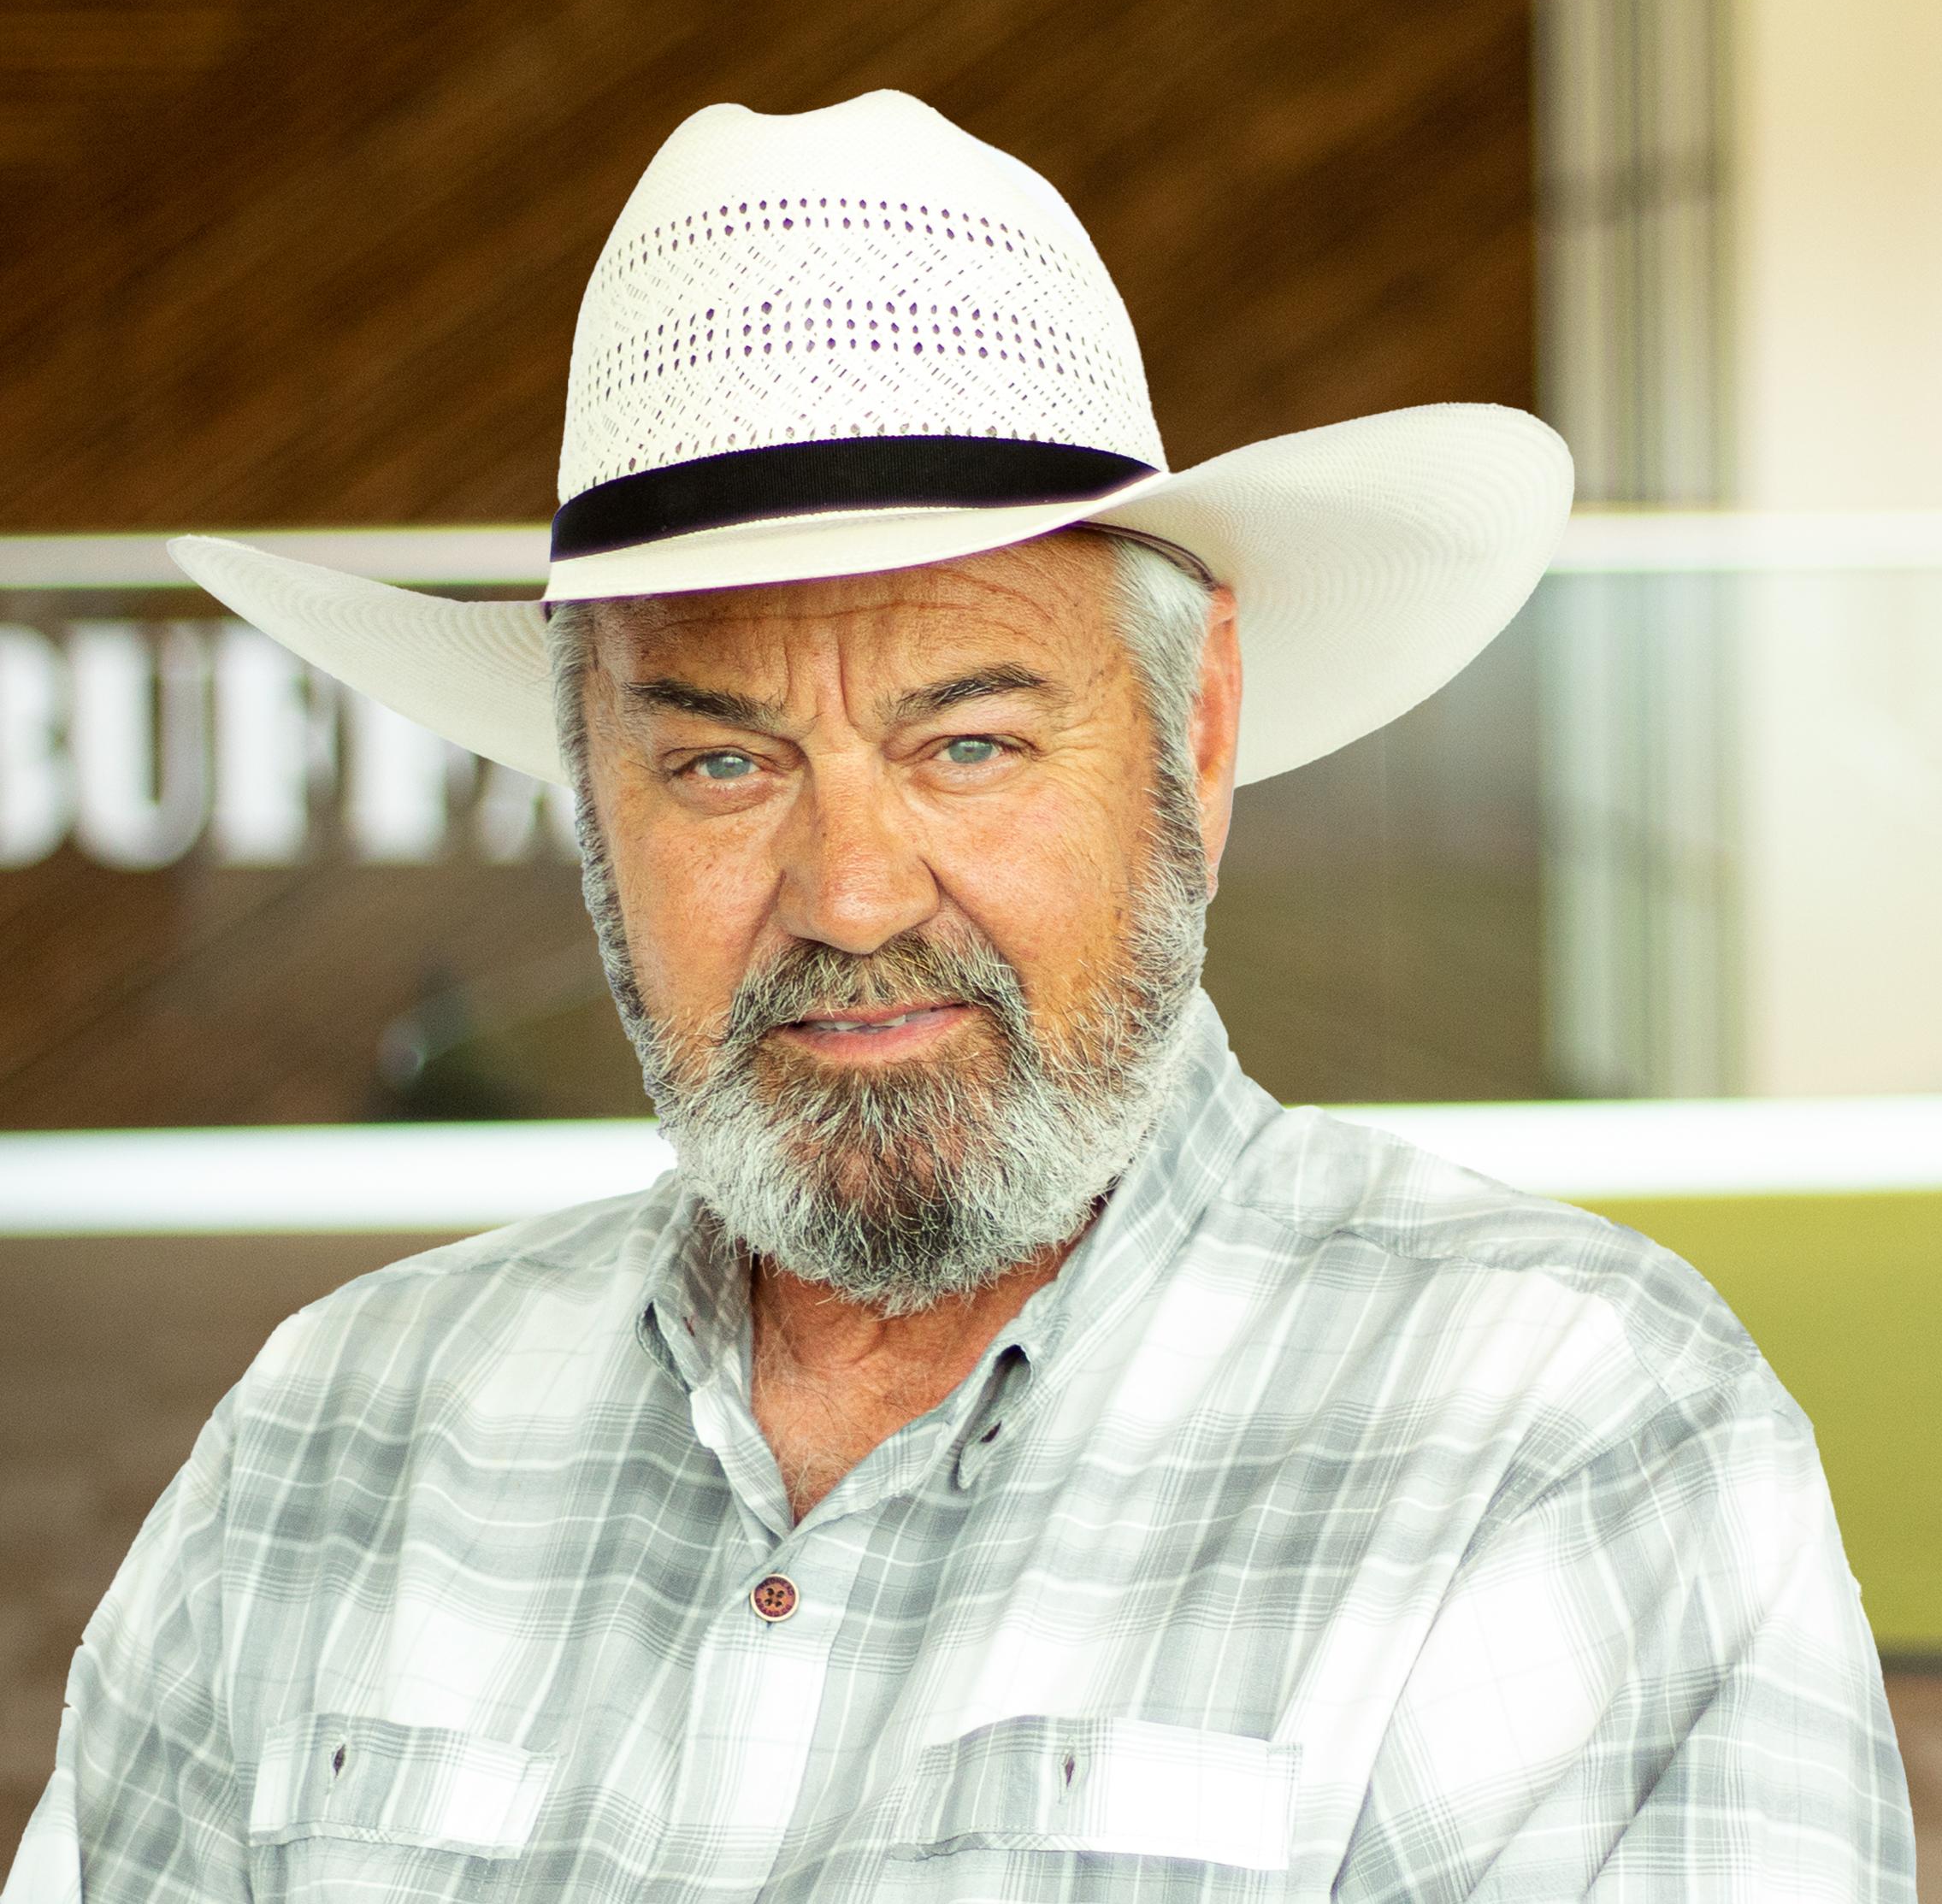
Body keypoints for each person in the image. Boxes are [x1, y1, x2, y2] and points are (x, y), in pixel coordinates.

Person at [4, 91, 1915, 1903]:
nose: (848, 892)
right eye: (722, 764)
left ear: (1200, 729)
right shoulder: (332, 1438)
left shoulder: (1558, 1439)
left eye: (970, 740)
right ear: (592, 796)